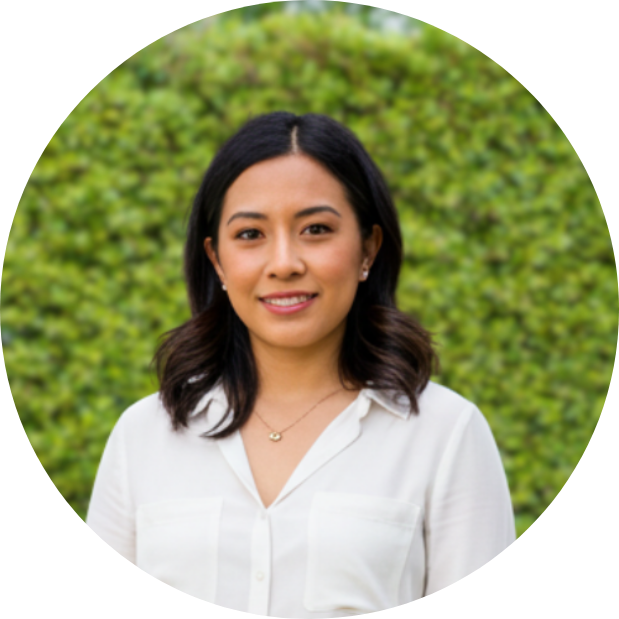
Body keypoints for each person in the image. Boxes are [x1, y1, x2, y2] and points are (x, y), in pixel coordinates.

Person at [86, 111, 516, 615]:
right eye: (251, 234)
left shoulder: (445, 434)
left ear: (368, 249)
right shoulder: (143, 436)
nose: (284, 263)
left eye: (316, 229)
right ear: (217, 260)